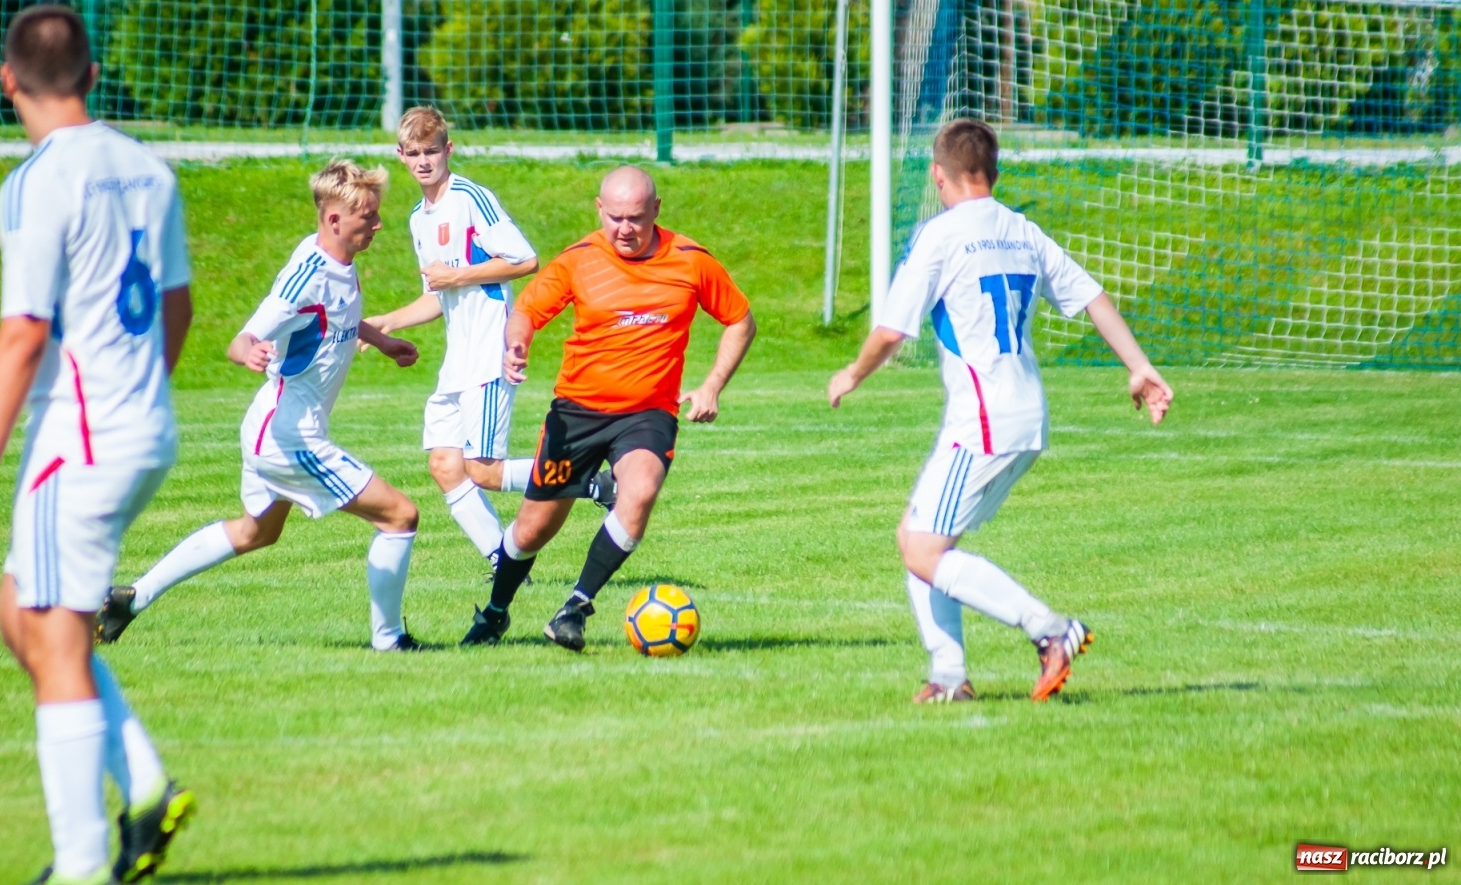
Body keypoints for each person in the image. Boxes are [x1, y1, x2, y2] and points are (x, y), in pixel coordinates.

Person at [0, 4, 196, 885]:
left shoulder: (35, 181)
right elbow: (177, 307)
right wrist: (142, 397)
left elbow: (21, 333)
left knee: (53, 642)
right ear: (91, 75)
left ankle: (82, 863)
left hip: (78, 442)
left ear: (7, 80)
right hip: (143, 428)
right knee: (22, 616)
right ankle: (149, 783)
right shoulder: (149, 169)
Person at [827, 118, 1173, 704]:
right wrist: (1138, 366)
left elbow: (890, 330)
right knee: (920, 537)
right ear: (993, 171)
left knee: (923, 548)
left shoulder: (939, 236)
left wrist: (852, 373)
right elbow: (1090, 295)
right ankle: (949, 678)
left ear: (938, 174)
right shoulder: (1022, 230)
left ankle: (1050, 630)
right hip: (1025, 412)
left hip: (983, 422)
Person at [96, 160, 425, 652]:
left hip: (273, 425)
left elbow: (337, 318)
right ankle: (389, 640)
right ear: (334, 219)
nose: (378, 224)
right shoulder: (304, 277)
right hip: (289, 437)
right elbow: (242, 337)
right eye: (369, 217)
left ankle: (131, 597)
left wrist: (381, 341)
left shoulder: (337, 262)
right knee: (401, 515)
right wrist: (246, 349)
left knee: (255, 533)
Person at [460, 165, 756, 651]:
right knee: (532, 531)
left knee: (638, 494)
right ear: (599, 210)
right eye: (615, 217)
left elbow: (740, 321)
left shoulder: (691, 261)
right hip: (575, 414)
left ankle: (575, 607)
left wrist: (711, 387)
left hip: (647, 413)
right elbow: (527, 311)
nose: (625, 228)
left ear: (656, 211)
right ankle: (496, 612)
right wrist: (517, 344)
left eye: (636, 218)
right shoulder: (579, 260)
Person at [363, 107, 543, 575]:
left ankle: (585, 480)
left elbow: (525, 260)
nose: (424, 161)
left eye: (432, 151)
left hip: (487, 351)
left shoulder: (470, 198)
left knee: (483, 469)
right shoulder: (419, 218)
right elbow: (436, 295)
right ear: (400, 156)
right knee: (445, 464)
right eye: (414, 153)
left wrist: (458, 274)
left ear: (449, 149)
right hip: (457, 360)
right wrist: (389, 321)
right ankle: (504, 564)